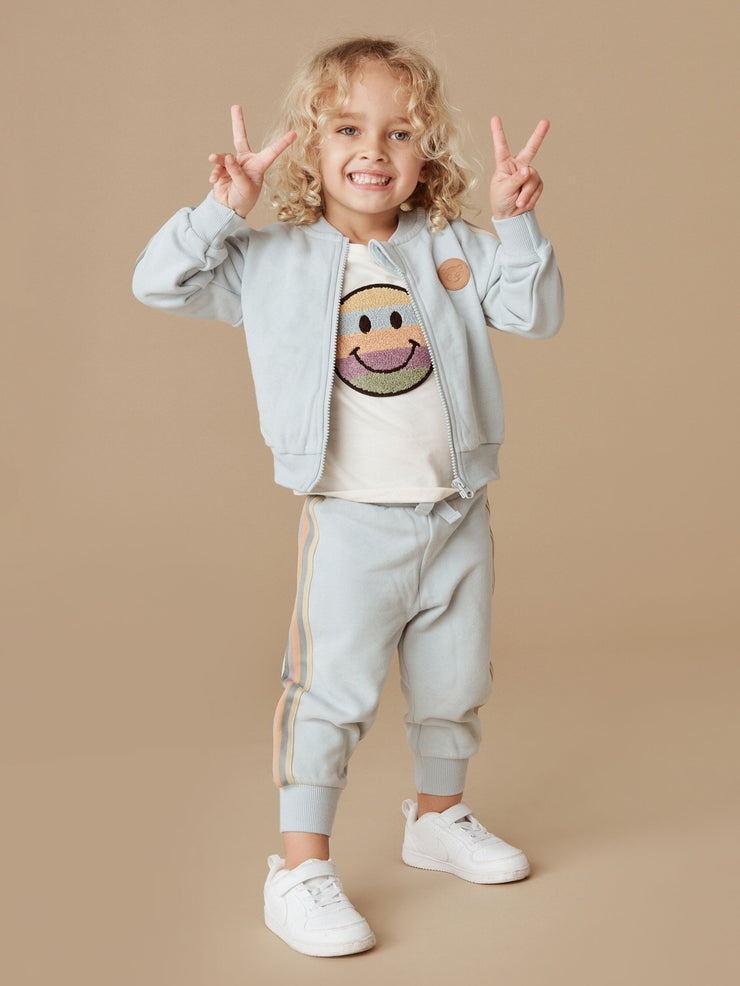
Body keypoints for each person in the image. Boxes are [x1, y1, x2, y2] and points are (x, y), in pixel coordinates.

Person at [132, 36, 563, 958]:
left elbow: (535, 313)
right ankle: (299, 870)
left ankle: (437, 818)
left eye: (400, 132)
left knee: (456, 681)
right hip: (353, 520)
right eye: (348, 129)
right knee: (328, 692)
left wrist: (515, 224)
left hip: (457, 514)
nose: (374, 149)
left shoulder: (452, 245)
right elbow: (158, 282)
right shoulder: (270, 259)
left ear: (426, 151)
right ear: (309, 144)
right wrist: (220, 211)